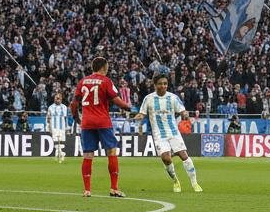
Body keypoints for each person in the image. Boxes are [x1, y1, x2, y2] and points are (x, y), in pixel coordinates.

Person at [130, 75, 201, 193]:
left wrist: (185, 114)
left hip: (173, 132)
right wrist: (136, 118)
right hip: (159, 134)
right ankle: (176, 180)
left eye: (165, 84)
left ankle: (195, 183)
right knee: (166, 158)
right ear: (155, 85)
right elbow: (142, 114)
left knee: (183, 155)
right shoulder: (148, 98)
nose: (163, 86)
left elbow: (182, 110)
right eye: (160, 84)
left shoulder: (173, 98)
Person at [76, 56, 135, 198]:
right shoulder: (106, 81)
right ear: (104, 67)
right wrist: (128, 108)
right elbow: (117, 100)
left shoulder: (83, 81)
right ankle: (114, 188)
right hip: (102, 121)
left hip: (87, 122)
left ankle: (87, 190)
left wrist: (76, 118)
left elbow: (74, 103)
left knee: (88, 155)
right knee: (111, 152)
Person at [46, 92, 71, 164]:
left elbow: (66, 118)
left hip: (62, 127)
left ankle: (59, 154)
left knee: (61, 141)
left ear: (61, 99)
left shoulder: (64, 107)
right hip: (54, 127)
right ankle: (60, 154)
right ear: (54, 99)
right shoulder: (50, 107)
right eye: (56, 98)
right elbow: (48, 118)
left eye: (59, 98)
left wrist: (67, 128)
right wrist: (48, 127)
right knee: (56, 141)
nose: (57, 100)